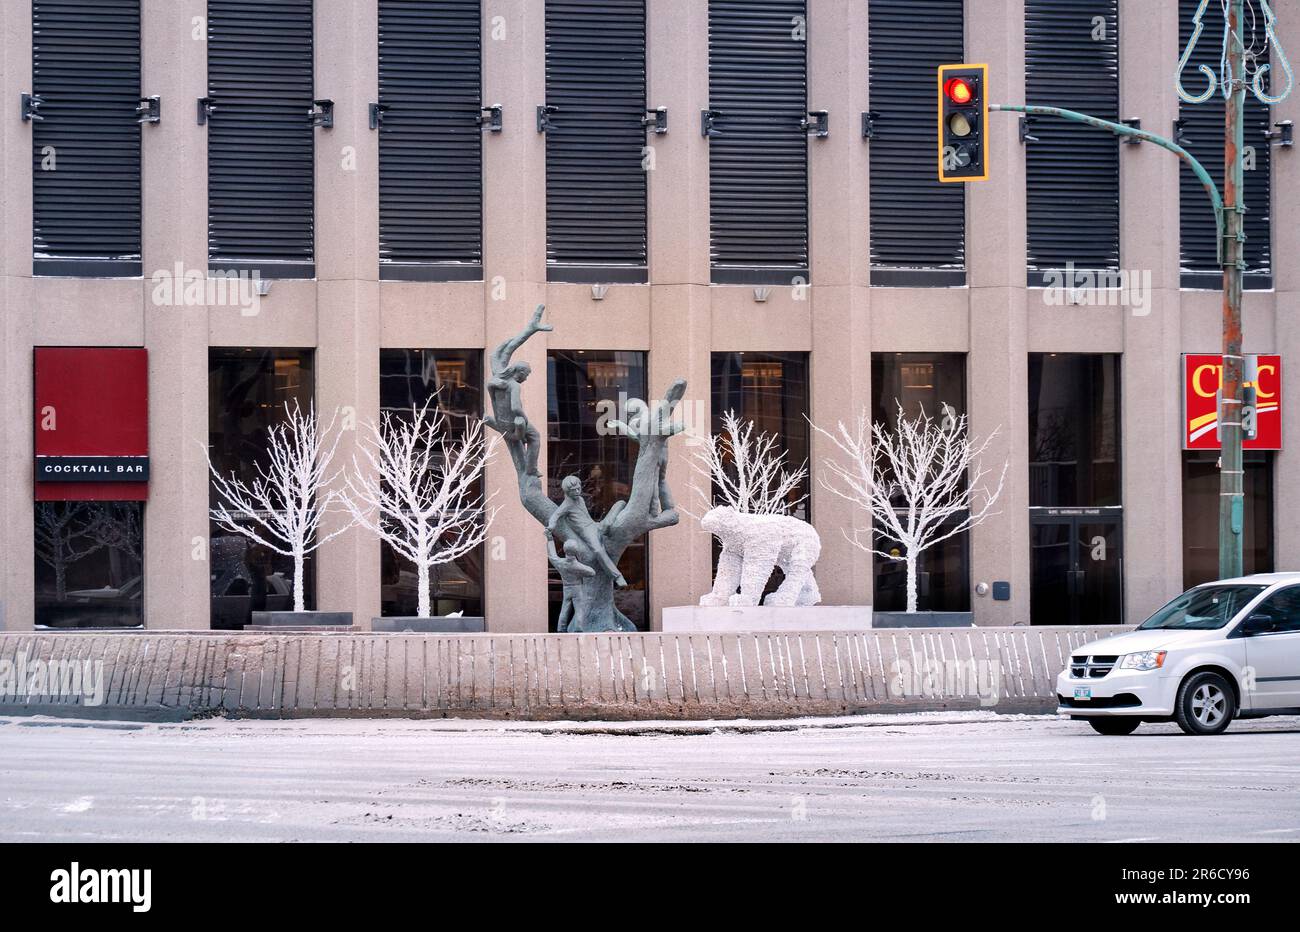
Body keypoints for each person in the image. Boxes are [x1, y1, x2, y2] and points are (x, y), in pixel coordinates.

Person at [484, 304, 551, 477]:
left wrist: (528, 331)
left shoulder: (498, 376)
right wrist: (525, 418)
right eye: (526, 375)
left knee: (524, 438)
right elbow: (515, 407)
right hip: (513, 425)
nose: (526, 378)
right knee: (535, 437)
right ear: (519, 373)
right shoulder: (514, 385)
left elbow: (497, 355)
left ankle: (527, 468)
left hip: (502, 422)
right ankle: (531, 468)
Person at [547, 475, 627, 587]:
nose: (577, 492)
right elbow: (556, 515)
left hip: (594, 525)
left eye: (578, 488)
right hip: (587, 532)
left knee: (608, 523)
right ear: (567, 492)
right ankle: (617, 576)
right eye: (573, 490)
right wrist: (551, 526)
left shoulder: (580, 499)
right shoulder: (567, 504)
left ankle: (620, 504)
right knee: (598, 550)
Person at [545, 528, 595, 633]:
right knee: (579, 609)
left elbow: (552, 555)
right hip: (577, 588)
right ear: (576, 551)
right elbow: (592, 572)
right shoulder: (577, 566)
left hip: (566, 587)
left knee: (565, 608)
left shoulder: (560, 563)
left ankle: (561, 628)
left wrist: (550, 539)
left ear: (564, 550)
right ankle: (578, 628)